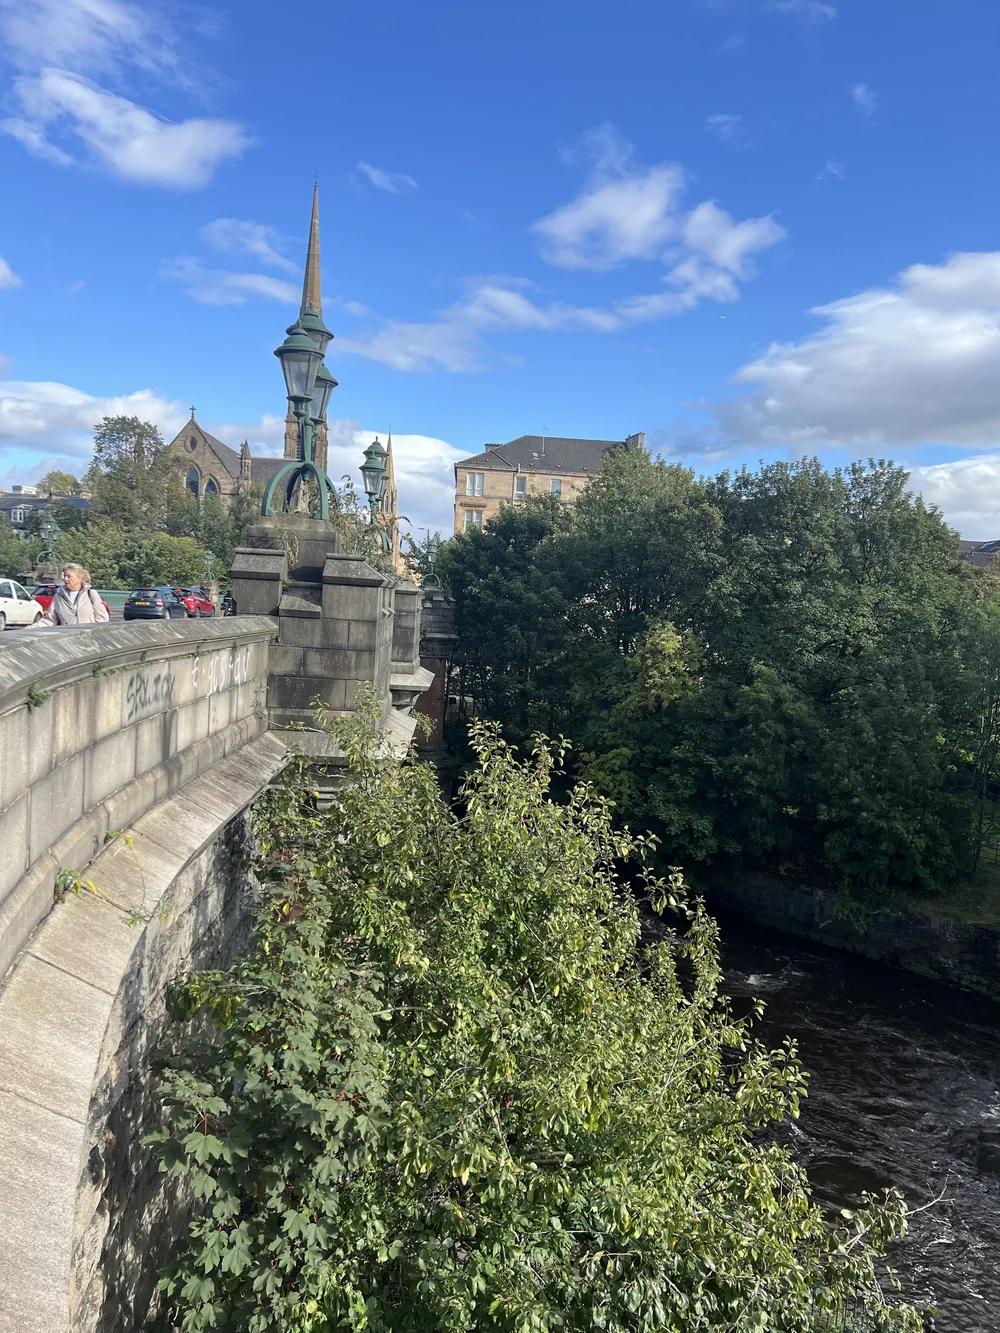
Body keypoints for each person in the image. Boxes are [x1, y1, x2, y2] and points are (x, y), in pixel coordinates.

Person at [37, 564, 111, 627]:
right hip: (68, 640)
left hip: (89, 640)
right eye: (65, 576)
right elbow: (50, 620)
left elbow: (102, 619)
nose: (65, 579)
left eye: (69, 576)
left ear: (79, 579)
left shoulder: (91, 594)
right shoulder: (59, 597)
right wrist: (33, 627)